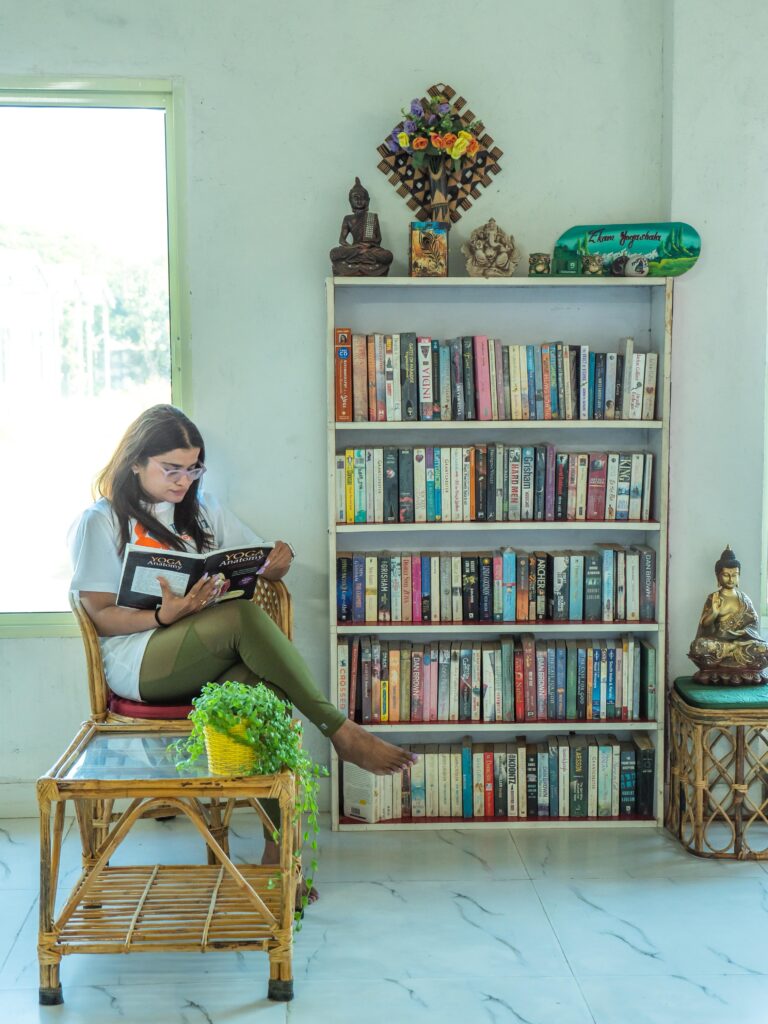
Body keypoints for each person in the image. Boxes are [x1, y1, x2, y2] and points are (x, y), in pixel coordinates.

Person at [69, 404, 415, 895]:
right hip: (139, 659)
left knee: (259, 690)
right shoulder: (101, 522)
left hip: (198, 652)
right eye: (172, 468)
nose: (183, 480)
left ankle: (278, 854)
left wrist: (278, 559)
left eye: (193, 468)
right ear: (135, 462)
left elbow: (260, 559)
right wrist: (166, 615)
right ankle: (340, 731)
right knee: (242, 618)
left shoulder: (204, 512)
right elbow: (101, 615)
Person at [688, 545, 768, 683]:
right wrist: (714, 612)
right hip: (718, 644)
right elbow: (704, 626)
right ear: (718, 576)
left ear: (739, 576)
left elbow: (753, 625)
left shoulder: (745, 600)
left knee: (764, 649)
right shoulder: (713, 598)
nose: (730, 579)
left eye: (734, 575)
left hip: (741, 644)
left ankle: (730, 659)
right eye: (726, 575)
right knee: (698, 646)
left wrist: (743, 632)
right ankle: (730, 659)